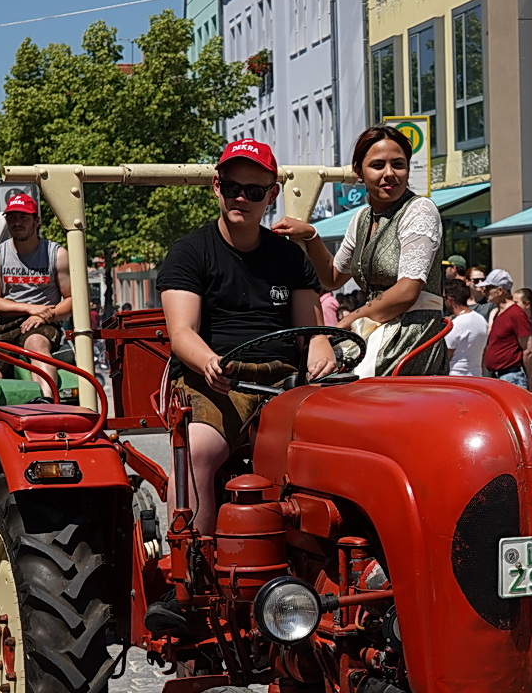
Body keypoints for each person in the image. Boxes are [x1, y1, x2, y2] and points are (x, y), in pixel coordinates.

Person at [157, 139, 335, 531]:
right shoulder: (190, 253)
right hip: (220, 381)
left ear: (271, 195)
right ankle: (193, 569)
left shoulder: (290, 257)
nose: (242, 198)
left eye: (254, 191)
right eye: (234, 187)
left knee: (339, 445)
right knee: (198, 451)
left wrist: (321, 348)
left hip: (285, 381)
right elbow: (181, 332)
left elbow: (313, 331)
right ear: (217, 186)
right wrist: (208, 363)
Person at [284, 125, 448, 376]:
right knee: (311, 370)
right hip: (373, 330)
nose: (389, 173)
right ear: (358, 172)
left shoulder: (420, 210)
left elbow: (408, 290)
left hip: (411, 337)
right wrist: (311, 235)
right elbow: (331, 278)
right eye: (378, 165)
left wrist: (347, 322)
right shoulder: (361, 218)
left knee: (332, 379)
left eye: (398, 164)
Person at [0, 192, 72, 392]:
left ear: (36, 221)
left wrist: (47, 315)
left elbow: (73, 300)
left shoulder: (57, 254)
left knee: (36, 342)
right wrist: (31, 309)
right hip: (7, 324)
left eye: (23, 217)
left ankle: (48, 403)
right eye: (12, 217)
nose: (17, 222)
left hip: (45, 323)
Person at [481, 270, 532, 387]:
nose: (484, 291)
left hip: (512, 377)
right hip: (498, 377)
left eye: (488, 288)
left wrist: (529, 379)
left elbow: (529, 350)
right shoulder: (497, 313)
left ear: (499, 291)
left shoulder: (516, 314)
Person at [442, 280, 488, 377]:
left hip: (456, 379)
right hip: (477, 377)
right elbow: (484, 354)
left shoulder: (455, 325)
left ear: (450, 300)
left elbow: (445, 359)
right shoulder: (482, 321)